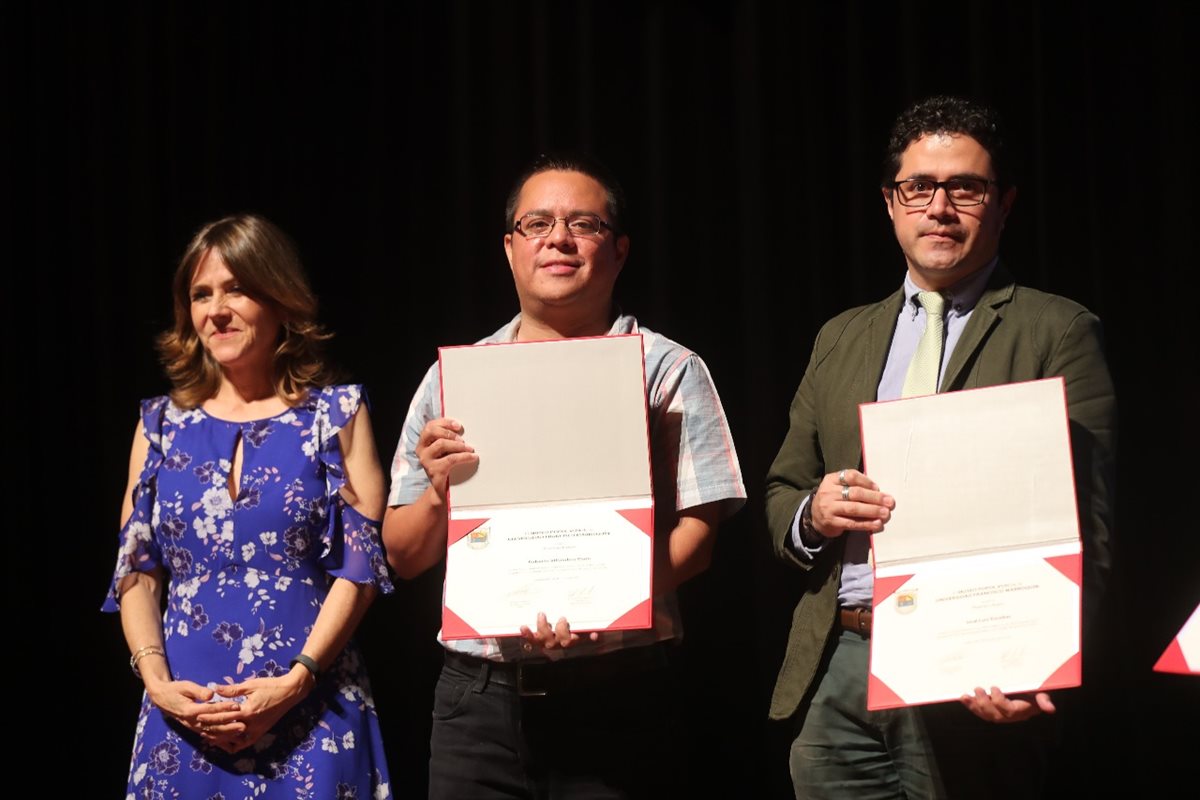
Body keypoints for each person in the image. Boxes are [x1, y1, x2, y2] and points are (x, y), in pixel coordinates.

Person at [765, 96, 1116, 799]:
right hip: (844, 657)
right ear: (892, 203)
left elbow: (1092, 526)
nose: (940, 207)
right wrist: (814, 513)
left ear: (1004, 204)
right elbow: (781, 492)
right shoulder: (841, 336)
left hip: (976, 663)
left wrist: (1037, 663)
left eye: (967, 188)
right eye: (919, 187)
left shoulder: (1057, 330)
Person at [382, 153, 747, 798]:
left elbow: (699, 536)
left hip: (619, 695)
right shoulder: (456, 380)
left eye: (585, 224)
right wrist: (440, 492)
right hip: (478, 705)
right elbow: (404, 556)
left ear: (620, 250)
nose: (559, 238)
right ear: (509, 248)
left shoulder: (667, 370)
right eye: (537, 224)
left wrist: (603, 608)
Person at [103, 214, 393, 799]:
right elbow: (135, 571)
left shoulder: (335, 415)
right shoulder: (159, 425)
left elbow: (361, 570)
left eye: (237, 288)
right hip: (184, 719)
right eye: (200, 295)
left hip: (312, 713)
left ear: (280, 297)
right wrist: (157, 683)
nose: (216, 310)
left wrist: (295, 683)